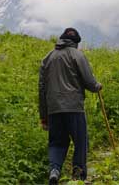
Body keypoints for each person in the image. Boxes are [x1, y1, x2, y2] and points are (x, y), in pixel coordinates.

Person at [39, 28, 102, 184]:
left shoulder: (47, 58)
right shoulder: (77, 55)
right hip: (74, 107)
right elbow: (89, 81)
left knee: (57, 142)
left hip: (53, 108)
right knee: (80, 141)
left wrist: (43, 115)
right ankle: (78, 175)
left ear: (61, 39)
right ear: (76, 43)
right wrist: (97, 86)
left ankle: (54, 170)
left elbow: (41, 88)